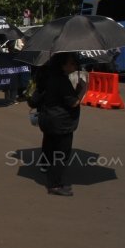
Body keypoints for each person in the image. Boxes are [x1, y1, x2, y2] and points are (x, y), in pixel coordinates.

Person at [29, 53, 85, 196]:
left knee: (49, 145)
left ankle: (46, 167)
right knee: (61, 154)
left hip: (48, 118)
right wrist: (82, 90)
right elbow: (73, 102)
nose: (74, 65)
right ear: (62, 65)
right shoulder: (61, 81)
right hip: (61, 122)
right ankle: (54, 184)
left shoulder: (47, 76)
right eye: (71, 63)